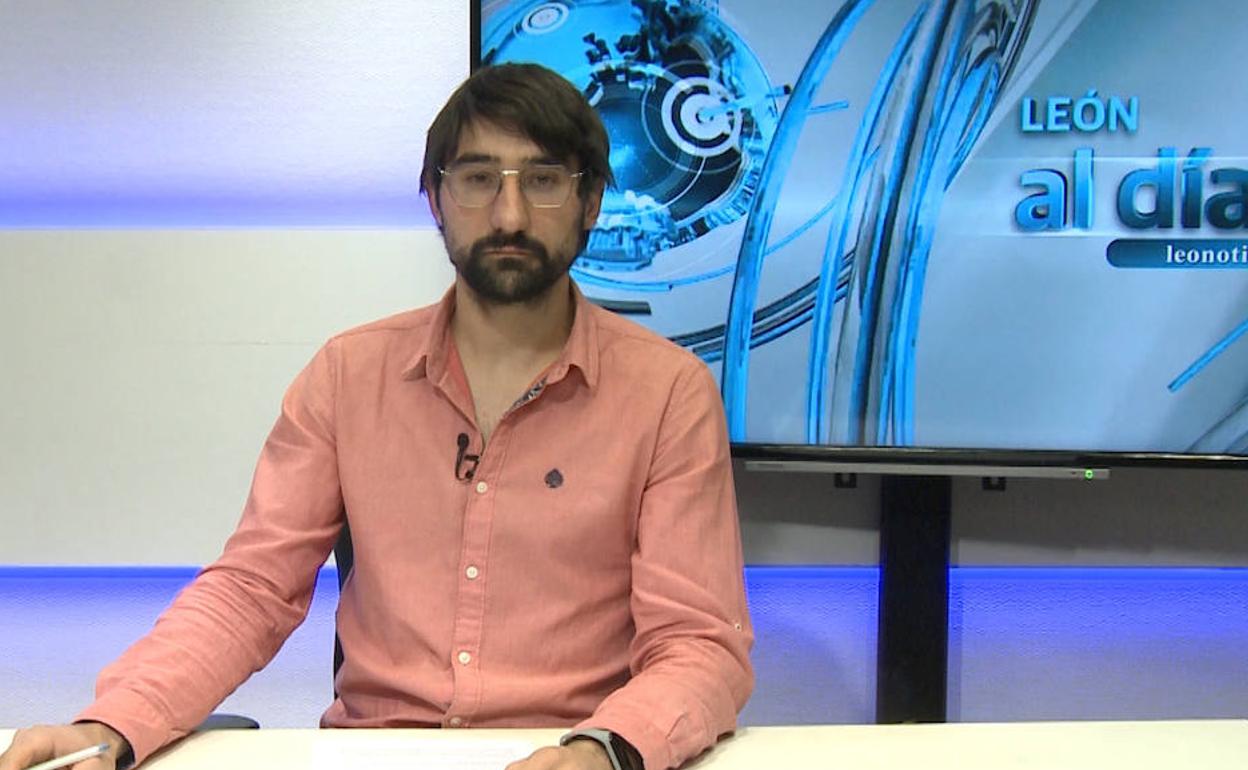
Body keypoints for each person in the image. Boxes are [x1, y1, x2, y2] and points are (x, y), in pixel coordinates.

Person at [0, 63, 753, 770]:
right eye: (478, 179)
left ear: (591, 203)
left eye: (544, 180)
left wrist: (604, 751)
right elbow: (251, 591)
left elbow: (699, 644)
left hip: (567, 752)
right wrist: (113, 724)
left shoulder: (669, 393)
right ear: (435, 200)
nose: (510, 213)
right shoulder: (348, 375)